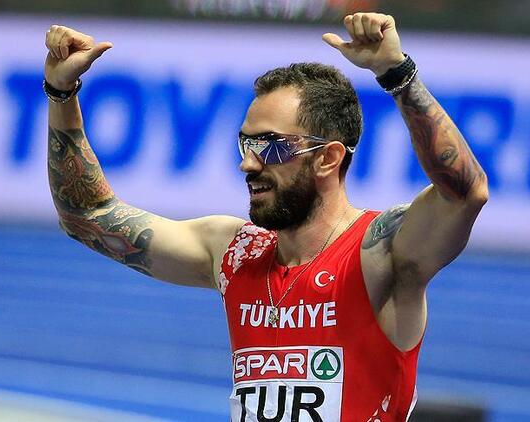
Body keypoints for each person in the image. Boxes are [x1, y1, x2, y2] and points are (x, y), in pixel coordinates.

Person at [43, 12, 487, 422]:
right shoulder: (232, 252)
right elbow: (86, 213)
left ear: (328, 158)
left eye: (270, 146)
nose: (248, 164)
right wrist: (61, 93)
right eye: (246, 144)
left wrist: (398, 75)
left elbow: (464, 193)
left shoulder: (381, 251)